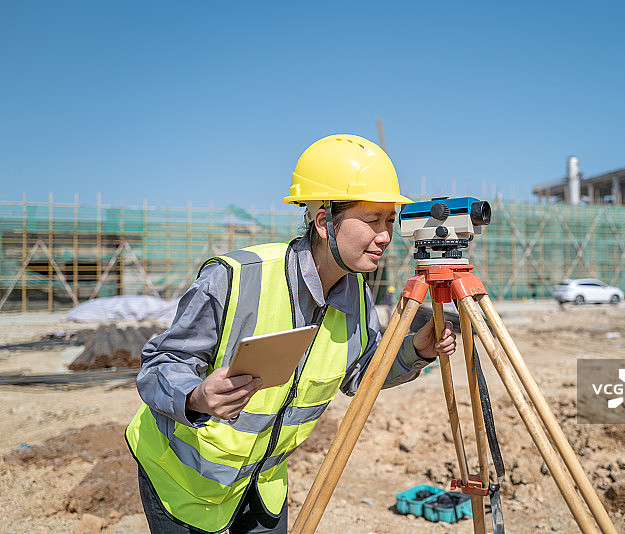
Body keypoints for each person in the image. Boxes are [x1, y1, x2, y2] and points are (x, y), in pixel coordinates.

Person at [125, 134, 457, 534]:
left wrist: (414, 352)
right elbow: (160, 364)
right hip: (183, 481)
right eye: (372, 220)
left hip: (262, 481)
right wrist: (197, 397)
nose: (385, 236)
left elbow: (361, 375)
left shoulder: (357, 294)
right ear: (323, 223)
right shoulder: (235, 278)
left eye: (389, 221)